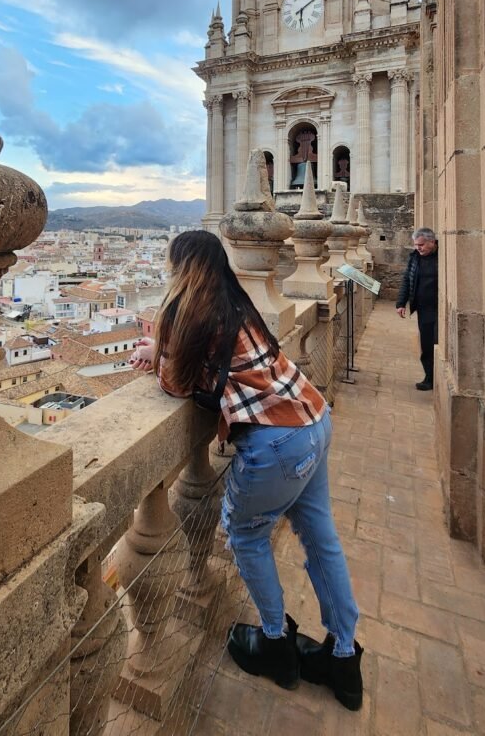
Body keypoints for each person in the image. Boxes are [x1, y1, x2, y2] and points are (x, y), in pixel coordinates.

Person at [129, 229, 362, 710]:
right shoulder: (236, 304)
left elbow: (176, 385)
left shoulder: (184, 312)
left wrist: (160, 357)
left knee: (244, 532)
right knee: (322, 540)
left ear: (181, 268)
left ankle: (276, 644)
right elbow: (222, 362)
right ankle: (343, 659)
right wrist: (164, 350)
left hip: (276, 440)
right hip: (313, 418)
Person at [396, 227, 439, 391]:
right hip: (424, 308)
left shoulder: (442, 256)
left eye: (421, 245)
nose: (418, 248)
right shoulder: (415, 258)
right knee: (427, 344)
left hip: (439, 307)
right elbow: (407, 279)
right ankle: (430, 378)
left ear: (432, 242)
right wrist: (401, 303)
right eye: (416, 245)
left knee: (438, 341)